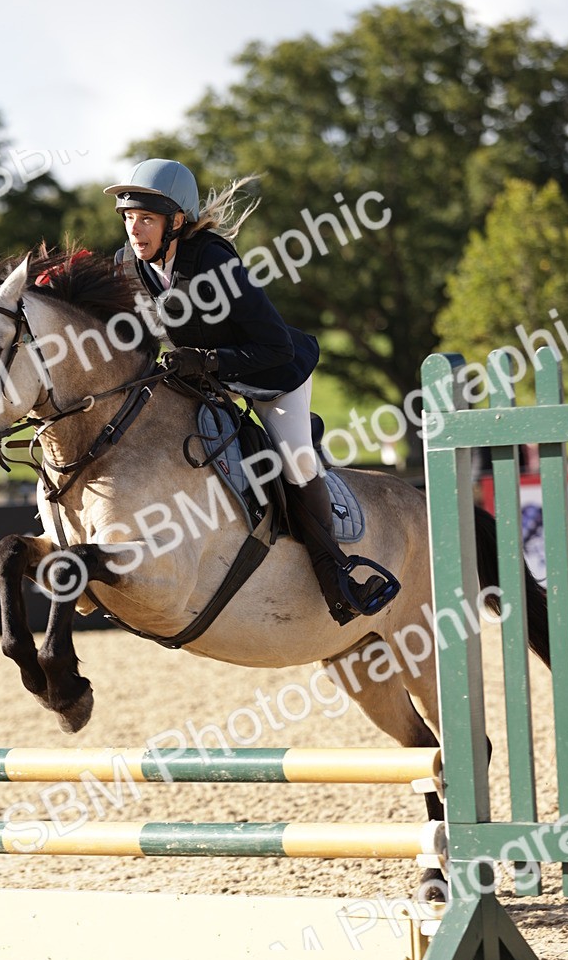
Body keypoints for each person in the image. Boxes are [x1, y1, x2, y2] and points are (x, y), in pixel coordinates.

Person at [103, 158, 399, 624]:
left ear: (177, 221)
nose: (135, 230)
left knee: (297, 461)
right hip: (209, 379)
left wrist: (208, 360)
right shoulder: (129, 264)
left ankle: (337, 576)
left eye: (146, 219)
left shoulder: (214, 262)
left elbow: (275, 345)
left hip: (273, 374)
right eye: (128, 219)